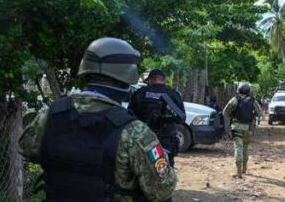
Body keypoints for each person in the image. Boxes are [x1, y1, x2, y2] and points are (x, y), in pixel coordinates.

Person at [19, 37, 177, 202]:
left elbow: (27, 149)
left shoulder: (50, 115)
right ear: (127, 74)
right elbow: (162, 189)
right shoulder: (134, 132)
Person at [130, 69, 185, 168]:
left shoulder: (140, 93)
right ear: (164, 80)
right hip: (167, 139)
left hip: (144, 139)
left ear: (150, 80)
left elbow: (130, 116)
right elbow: (181, 117)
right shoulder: (173, 94)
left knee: (144, 167)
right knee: (165, 170)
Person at [223, 83, 262, 178]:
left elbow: (225, 112)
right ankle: (244, 168)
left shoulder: (234, 100)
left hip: (236, 127)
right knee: (245, 148)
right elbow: (260, 114)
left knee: (238, 148)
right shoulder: (253, 101)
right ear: (249, 91)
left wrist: (229, 126)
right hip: (248, 128)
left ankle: (238, 171)